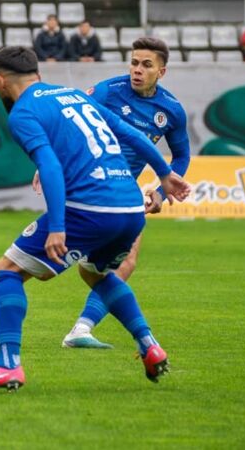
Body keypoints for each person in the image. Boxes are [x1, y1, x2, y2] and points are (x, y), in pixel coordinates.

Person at [0, 47, 190, 393]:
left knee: (5, 272)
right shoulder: (70, 94)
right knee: (94, 272)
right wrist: (165, 174)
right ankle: (149, 345)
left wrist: (57, 226)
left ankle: (8, 366)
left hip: (90, 209)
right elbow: (130, 134)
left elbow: (49, 166)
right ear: (37, 74)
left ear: (0, 81)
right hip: (130, 206)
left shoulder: (23, 112)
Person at [55, 37, 191, 349]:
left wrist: (159, 191)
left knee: (122, 263)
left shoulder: (171, 110)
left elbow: (181, 157)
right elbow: (70, 123)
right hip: (90, 181)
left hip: (125, 188)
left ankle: (81, 329)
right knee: (86, 262)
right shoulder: (107, 91)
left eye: (146, 65)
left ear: (162, 71)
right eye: (133, 62)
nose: (137, 70)